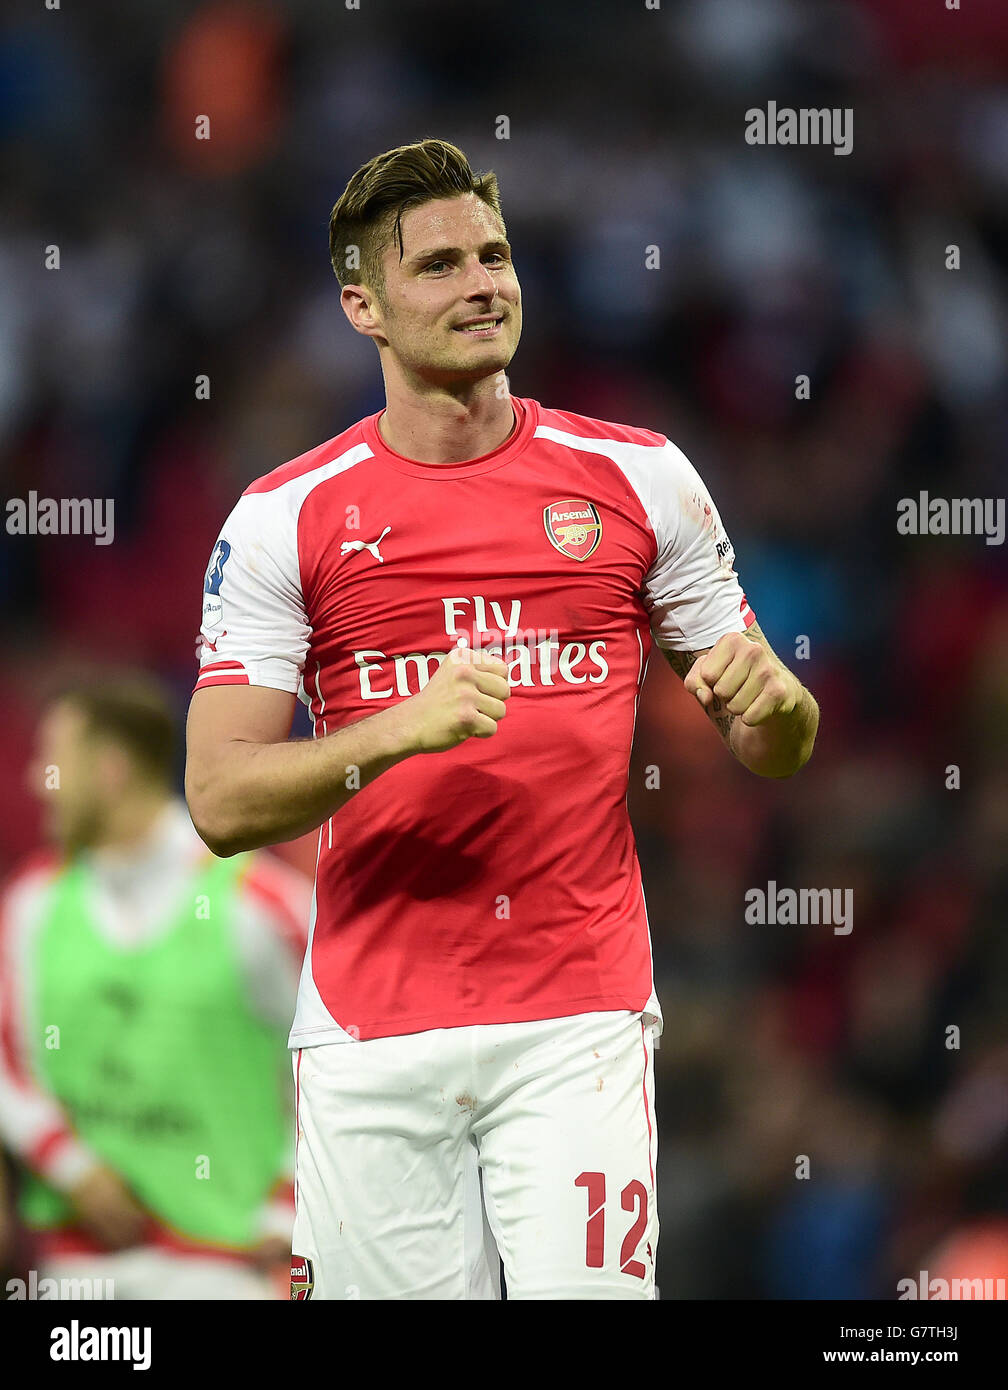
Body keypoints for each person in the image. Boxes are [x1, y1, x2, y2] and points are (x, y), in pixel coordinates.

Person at [185, 138, 820, 1300]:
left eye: (496, 255)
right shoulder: (285, 517)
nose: (483, 283)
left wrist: (781, 706)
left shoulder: (639, 477)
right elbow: (221, 802)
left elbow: (772, 738)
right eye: (438, 266)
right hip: (371, 1036)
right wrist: (390, 731)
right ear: (361, 306)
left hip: (576, 1015)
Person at [0, 674, 311, 1298]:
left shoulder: (265, 906)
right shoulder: (32, 902)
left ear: (111, 769)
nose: (39, 781)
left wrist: (286, 1206)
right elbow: (10, 1058)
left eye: (54, 759)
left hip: (228, 1267)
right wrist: (71, 1165)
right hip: (78, 1269)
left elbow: (332, 1066)